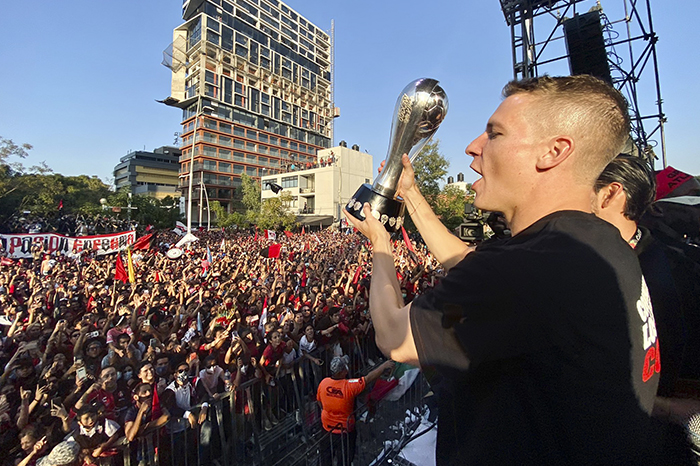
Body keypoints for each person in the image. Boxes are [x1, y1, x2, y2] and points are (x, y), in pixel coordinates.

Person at [346, 75, 668, 464]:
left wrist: (380, 243)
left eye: (495, 133)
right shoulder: (598, 245)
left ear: (554, 151)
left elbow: (394, 336)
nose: (473, 146)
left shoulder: (529, 269)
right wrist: (411, 195)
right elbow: (467, 261)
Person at [317, 357, 394, 466]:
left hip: (326, 430)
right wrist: (383, 366)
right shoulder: (349, 386)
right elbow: (368, 378)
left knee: (325, 459)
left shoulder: (323, 383)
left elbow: (319, 402)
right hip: (344, 432)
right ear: (341, 372)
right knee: (345, 460)